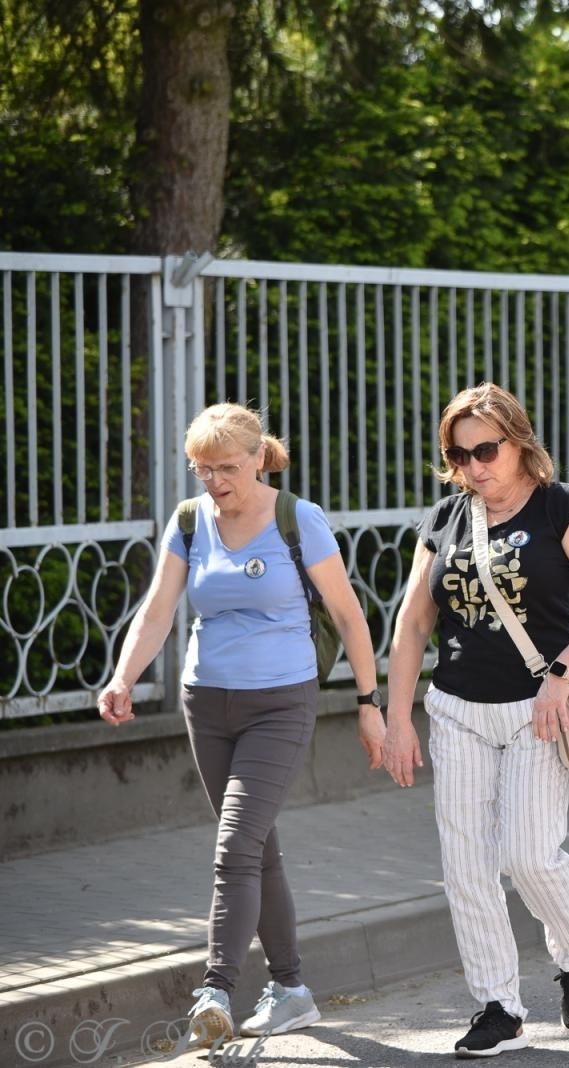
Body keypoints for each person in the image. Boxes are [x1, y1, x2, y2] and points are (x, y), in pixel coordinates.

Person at [96, 403, 383, 1048]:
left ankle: (216, 989)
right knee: (258, 848)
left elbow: (348, 615)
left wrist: (371, 703)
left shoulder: (296, 519)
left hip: (281, 702)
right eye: (204, 470)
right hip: (208, 703)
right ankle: (292, 991)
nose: (216, 481)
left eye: (227, 467)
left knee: (234, 848)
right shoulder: (190, 522)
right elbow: (158, 609)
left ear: (259, 457)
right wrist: (121, 678)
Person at [381, 383, 569, 1057]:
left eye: (486, 450)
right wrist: (396, 716)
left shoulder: (563, 509)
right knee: (465, 866)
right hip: (457, 708)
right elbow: (412, 625)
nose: (473, 466)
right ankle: (498, 1005)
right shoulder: (444, 519)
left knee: (526, 854)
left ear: (519, 442)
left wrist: (561, 675)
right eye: (458, 455)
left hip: (536, 711)